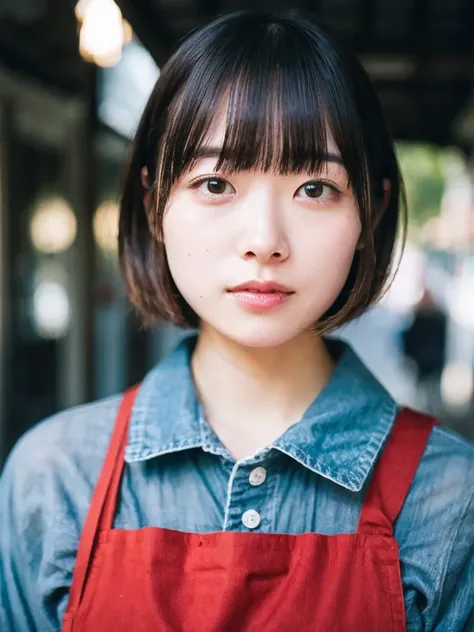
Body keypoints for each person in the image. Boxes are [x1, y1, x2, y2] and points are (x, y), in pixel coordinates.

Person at [1, 11, 473, 632]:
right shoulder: (55, 478)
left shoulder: (451, 498)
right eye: (217, 182)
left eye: (314, 188)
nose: (264, 240)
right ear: (154, 203)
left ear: (372, 212)